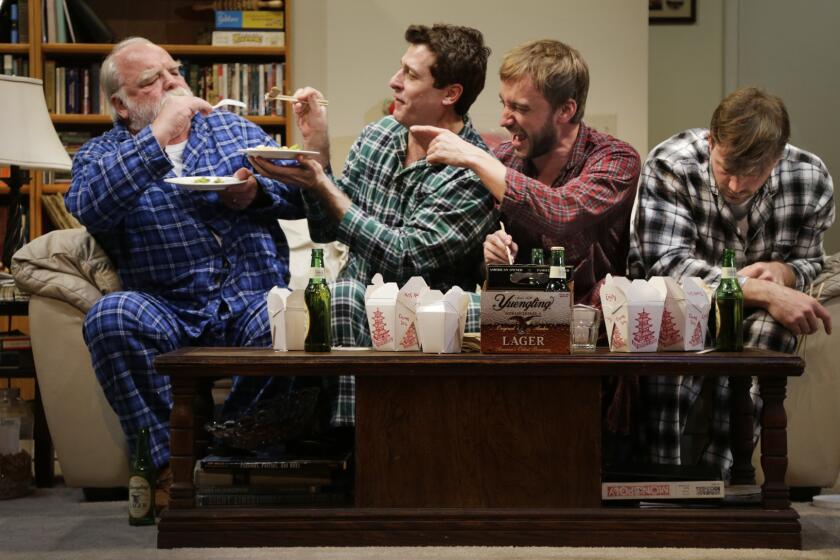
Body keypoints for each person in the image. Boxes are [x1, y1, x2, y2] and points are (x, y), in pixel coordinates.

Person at [65, 37, 305, 501]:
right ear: (121, 104)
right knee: (111, 317)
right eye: (152, 81)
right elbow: (89, 205)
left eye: (174, 72)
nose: (173, 83)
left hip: (248, 298)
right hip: (167, 306)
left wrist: (256, 196)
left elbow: (302, 196)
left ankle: (228, 449)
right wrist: (158, 134)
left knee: (287, 316)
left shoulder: (233, 129)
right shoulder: (100, 154)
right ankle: (168, 461)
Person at [249, 24, 497, 427]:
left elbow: (405, 257)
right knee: (319, 300)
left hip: (424, 324)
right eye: (400, 69)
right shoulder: (379, 137)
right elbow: (327, 228)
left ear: (450, 94)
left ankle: (352, 443)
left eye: (411, 75)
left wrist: (322, 183)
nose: (394, 82)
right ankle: (316, 436)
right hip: (353, 312)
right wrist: (319, 151)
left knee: (343, 293)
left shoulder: (470, 172)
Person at [629, 87, 835, 470]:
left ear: (779, 157)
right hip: (685, 300)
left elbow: (812, 262)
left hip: (756, 315)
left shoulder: (811, 179)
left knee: (775, 330)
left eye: (754, 173)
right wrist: (760, 289)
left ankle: (725, 474)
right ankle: (660, 478)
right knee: (667, 325)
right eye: (728, 169)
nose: (738, 185)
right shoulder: (671, 165)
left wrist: (784, 272)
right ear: (712, 142)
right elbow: (665, 265)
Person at [410, 39, 641, 306]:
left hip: (592, 333)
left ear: (565, 110)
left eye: (520, 108)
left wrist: (476, 157)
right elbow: (472, 266)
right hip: (518, 326)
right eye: (504, 104)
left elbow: (562, 212)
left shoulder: (615, 159)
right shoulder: (502, 159)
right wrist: (492, 259)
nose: (504, 119)